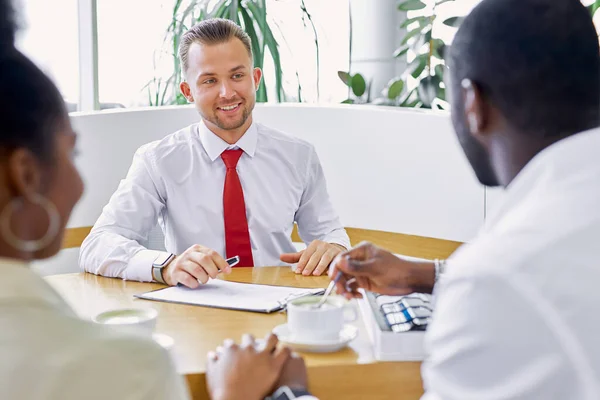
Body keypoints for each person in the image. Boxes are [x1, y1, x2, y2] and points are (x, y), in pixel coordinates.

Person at [206, 0, 600, 399]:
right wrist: (424, 275)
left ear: (471, 104)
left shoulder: (499, 278)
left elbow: (518, 281)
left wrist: (266, 394)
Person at [0, 0, 191, 398]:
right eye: (72, 154)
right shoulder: (126, 370)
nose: (80, 183)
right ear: (25, 174)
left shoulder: (298, 156)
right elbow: (101, 242)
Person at [79, 18, 349, 287]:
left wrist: (334, 246)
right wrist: (167, 266)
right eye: (209, 81)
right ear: (188, 91)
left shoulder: (298, 155)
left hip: (280, 303)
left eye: (237, 76)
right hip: (194, 310)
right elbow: (97, 245)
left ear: (255, 78)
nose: (227, 93)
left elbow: (328, 230)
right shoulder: (158, 161)